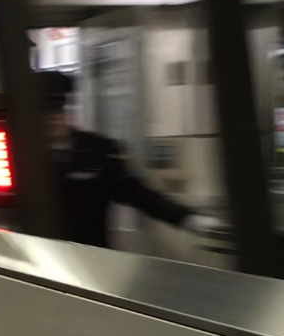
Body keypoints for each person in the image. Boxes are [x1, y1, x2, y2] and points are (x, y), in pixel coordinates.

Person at [39, 70, 218, 248]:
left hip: (89, 254)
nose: (54, 118)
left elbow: (136, 193)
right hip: (38, 253)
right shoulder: (26, 154)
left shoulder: (97, 150)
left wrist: (187, 219)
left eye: (58, 110)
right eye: (46, 113)